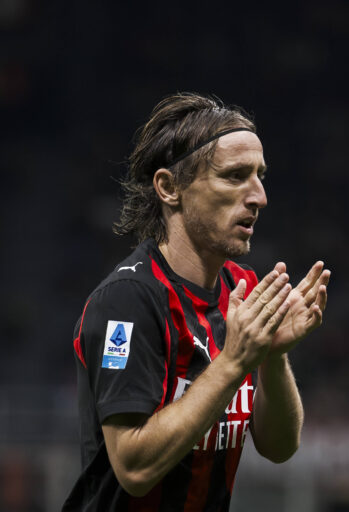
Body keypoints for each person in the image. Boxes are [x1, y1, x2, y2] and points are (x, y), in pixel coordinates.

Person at [63, 92, 330, 511]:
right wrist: (234, 362)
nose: (259, 197)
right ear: (170, 188)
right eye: (234, 176)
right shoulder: (128, 301)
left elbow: (279, 448)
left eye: (260, 175)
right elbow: (133, 470)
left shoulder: (242, 288)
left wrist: (273, 358)